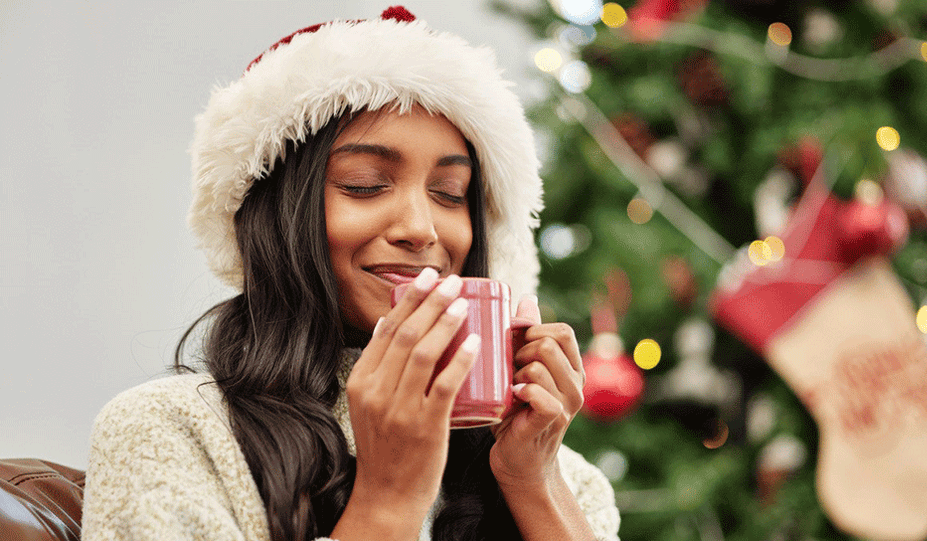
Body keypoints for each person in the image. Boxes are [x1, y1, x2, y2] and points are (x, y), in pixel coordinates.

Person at [81, 6, 620, 541]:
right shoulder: (170, 432)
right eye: (364, 184)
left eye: (449, 194)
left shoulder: (566, 478)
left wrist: (535, 482)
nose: (421, 228)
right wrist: (389, 500)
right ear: (278, 215)